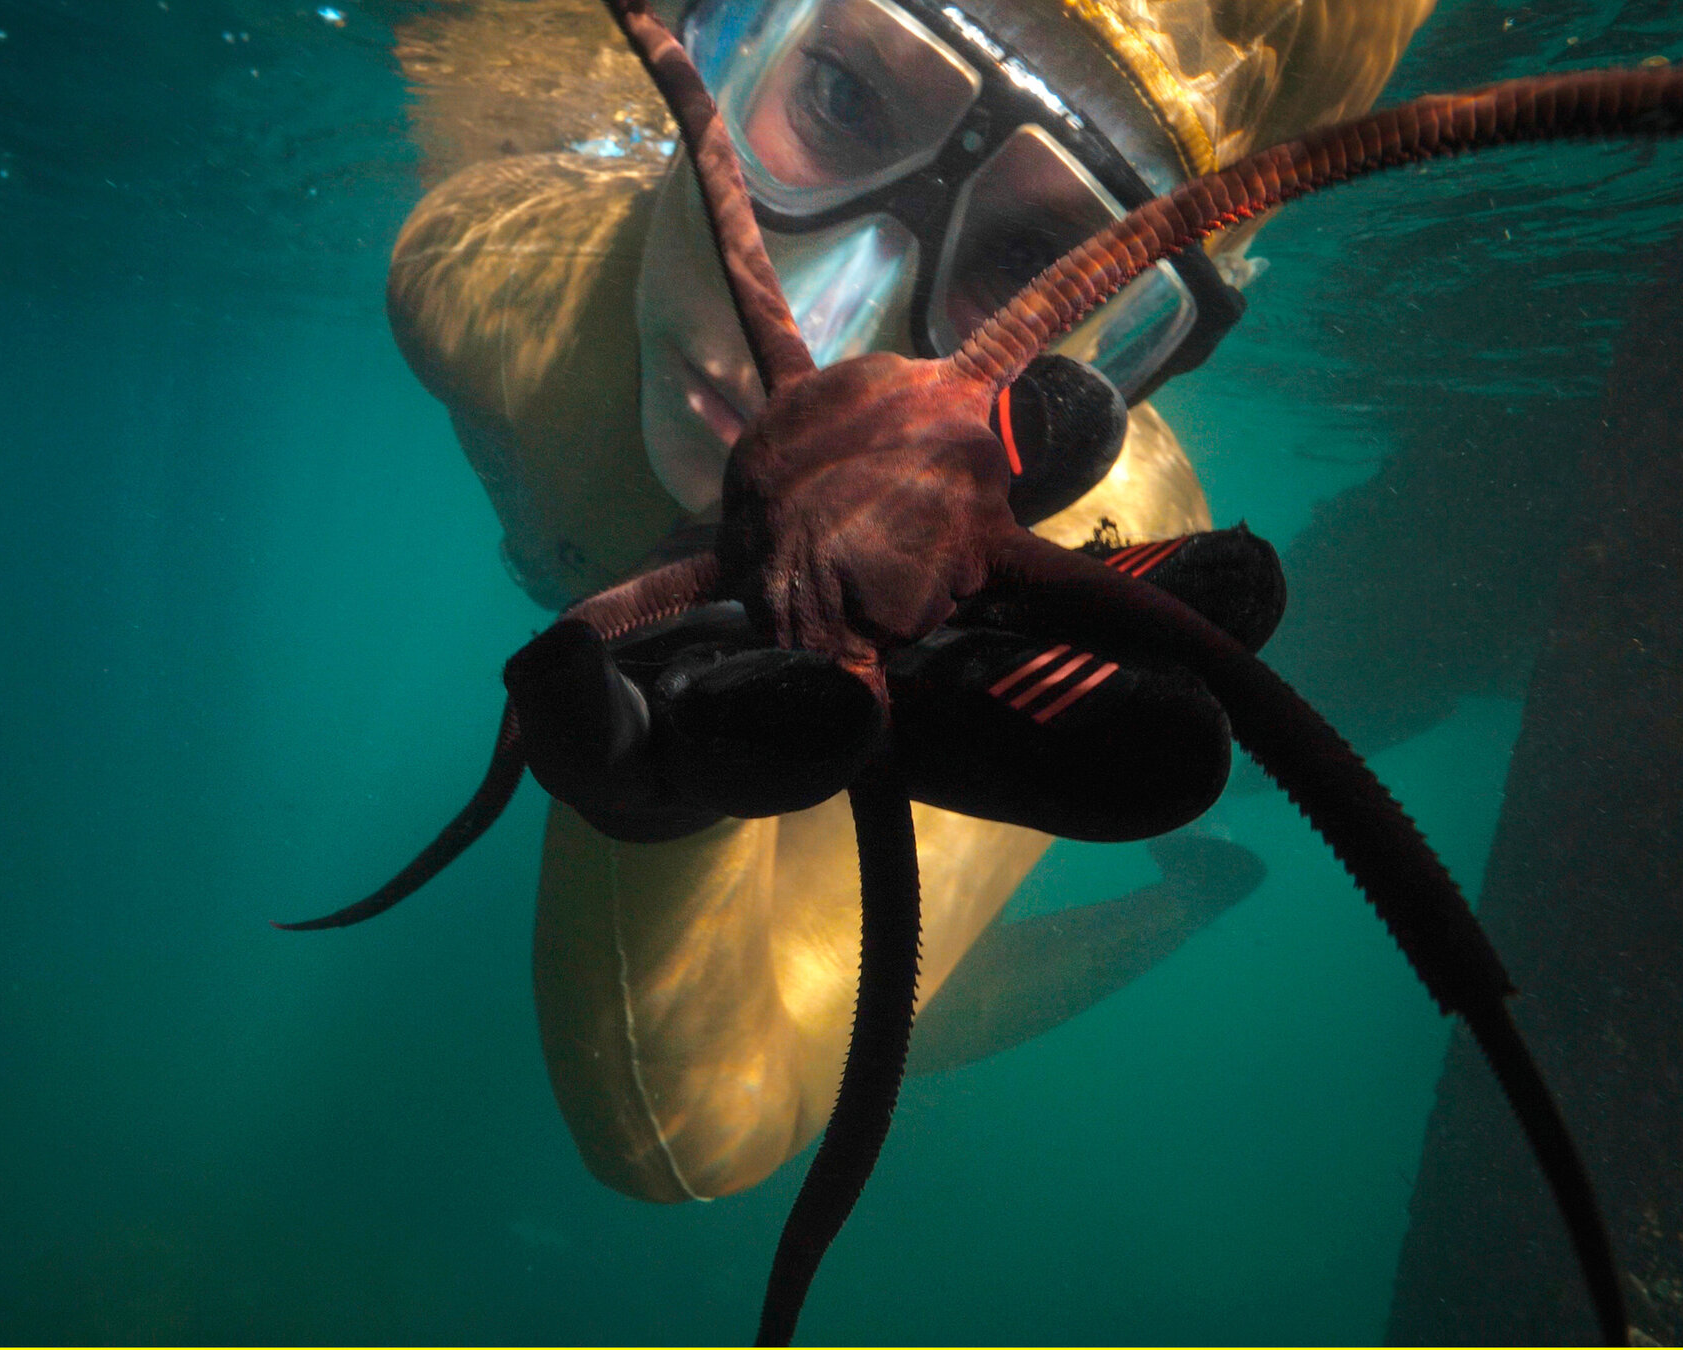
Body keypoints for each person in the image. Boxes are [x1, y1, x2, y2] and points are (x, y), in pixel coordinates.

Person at [382, 0, 1435, 1202]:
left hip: (983, 657)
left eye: (1032, 260)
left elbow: (687, 1128)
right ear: (716, 36)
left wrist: (663, 815)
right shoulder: (475, 276)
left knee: (858, 995)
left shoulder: (1110, 541)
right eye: (838, 95)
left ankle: (1174, 904)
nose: (823, 339)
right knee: (885, 1003)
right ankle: (1174, 899)